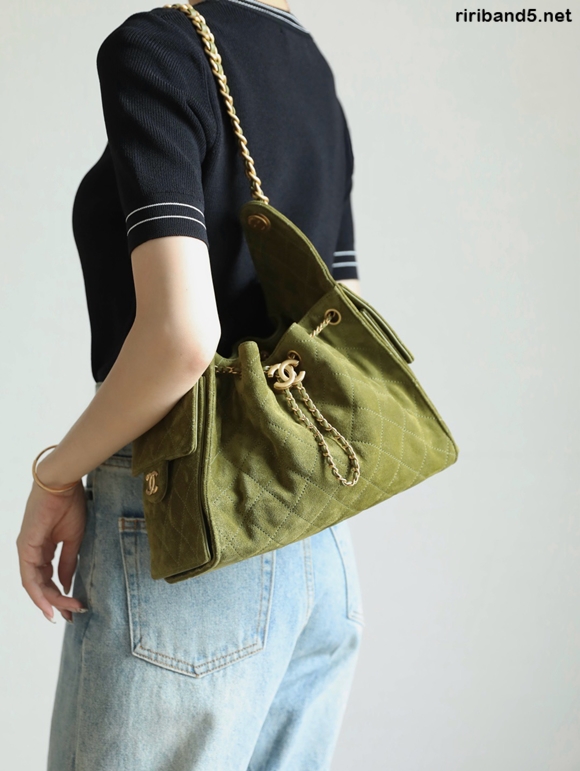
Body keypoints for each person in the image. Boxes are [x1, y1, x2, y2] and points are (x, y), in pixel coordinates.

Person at [17, 1, 364, 768]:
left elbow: (181, 338)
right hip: (318, 547)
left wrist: (55, 475)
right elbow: (337, 325)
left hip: (187, 532)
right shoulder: (308, 63)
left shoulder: (159, 47)